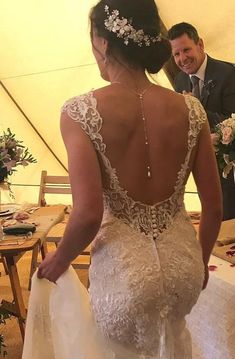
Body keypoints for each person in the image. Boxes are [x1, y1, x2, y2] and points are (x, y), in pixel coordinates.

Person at [22, 1, 222, 358]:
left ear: (103, 42)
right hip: (183, 268)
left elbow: (87, 215)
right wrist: (201, 259)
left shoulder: (79, 112)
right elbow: (214, 205)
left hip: (125, 276)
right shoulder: (191, 109)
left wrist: (59, 261)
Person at [168, 22, 235, 220]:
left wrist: (197, 108)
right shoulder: (180, 80)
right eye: (176, 54)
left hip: (229, 170)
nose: (182, 59)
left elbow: (232, 121)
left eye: (186, 50)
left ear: (200, 44)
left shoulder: (229, 74)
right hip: (202, 168)